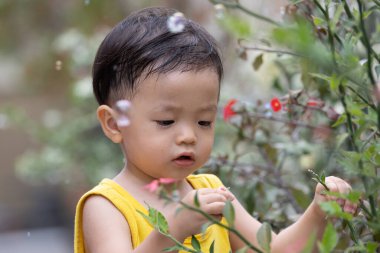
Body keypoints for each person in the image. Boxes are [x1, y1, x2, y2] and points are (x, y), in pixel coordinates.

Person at [74, 6, 357, 253]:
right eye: (166, 121)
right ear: (114, 124)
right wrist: (172, 230)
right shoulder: (106, 207)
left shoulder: (211, 193)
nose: (188, 136)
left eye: (204, 121)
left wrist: (319, 212)